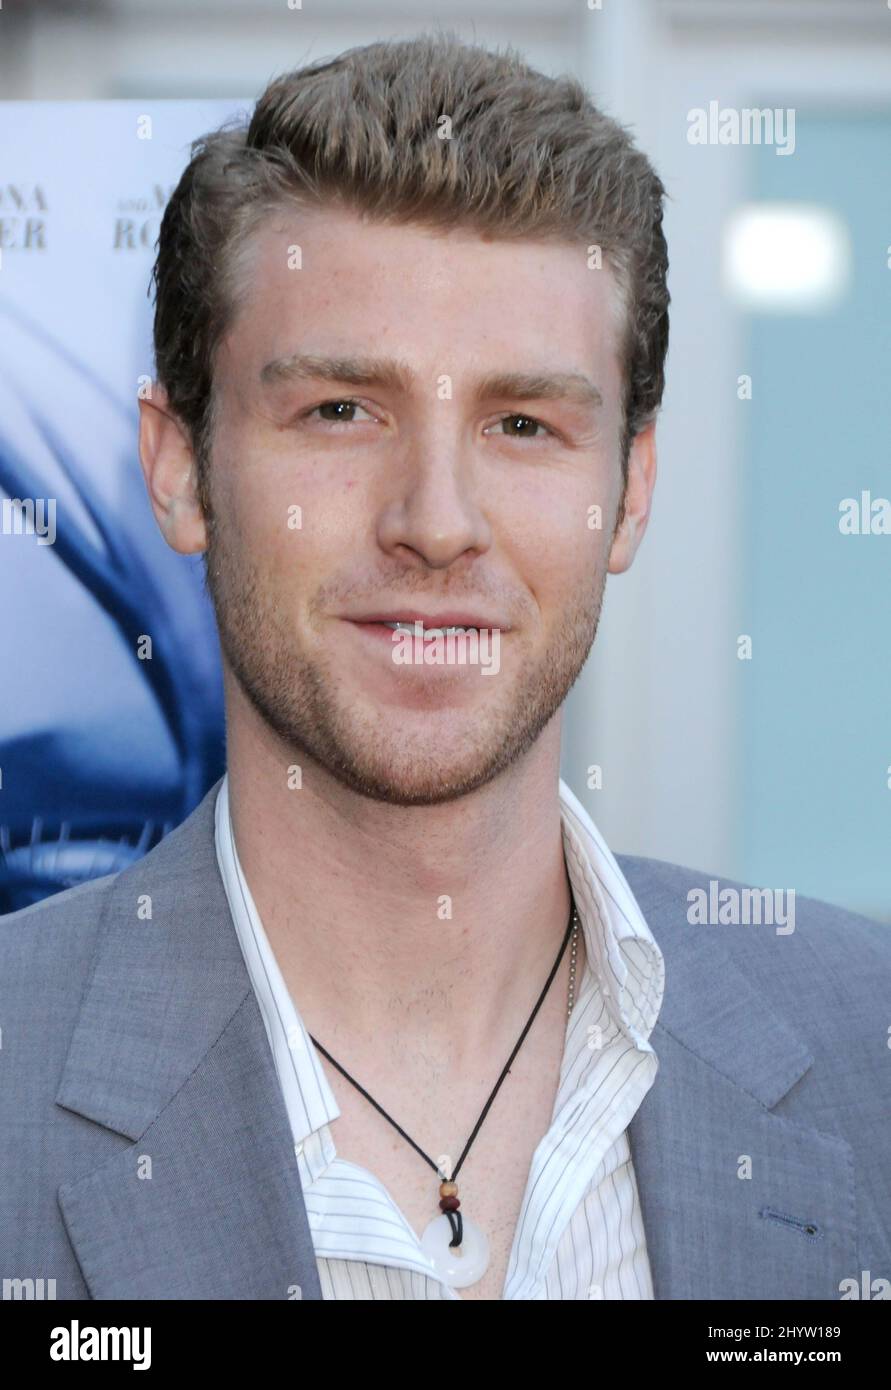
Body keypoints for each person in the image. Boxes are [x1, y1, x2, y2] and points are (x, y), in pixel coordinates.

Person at [1, 32, 888, 1303]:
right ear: (179, 465)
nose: (435, 519)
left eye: (524, 424)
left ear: (630, 490)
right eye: (341, 411)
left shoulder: (870, 1047)